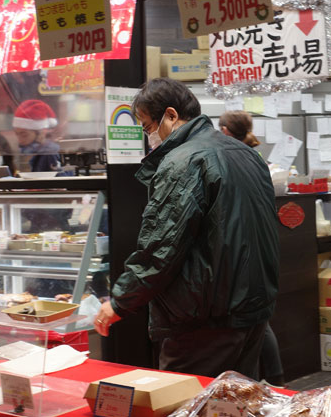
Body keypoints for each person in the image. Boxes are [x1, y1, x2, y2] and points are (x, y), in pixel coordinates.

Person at [94, 79, 280, 378]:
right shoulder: (246, 154)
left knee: (188, 402)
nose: (148, 136)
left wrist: (120, 302)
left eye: (147, 127)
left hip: (204, 321)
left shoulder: (184, 161)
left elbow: (161, 248)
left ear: (170, 115)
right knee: (233, 402)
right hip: (253, 311)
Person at [219, 110, 284, 385]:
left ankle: (266, 382)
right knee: (260, 320)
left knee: (257, 321)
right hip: (261, 243)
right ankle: (275, 380)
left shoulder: (231, 159)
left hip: (244, 247)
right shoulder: (254, 158)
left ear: (224, 131)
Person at [12, 99, 61, 173]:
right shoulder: (34, 153)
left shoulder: (49, 154)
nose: (20, 140)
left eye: (24, 135)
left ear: (41, 132)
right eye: (17, 134)